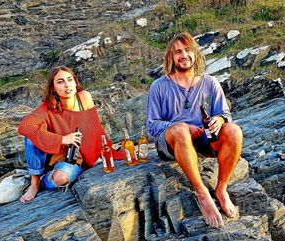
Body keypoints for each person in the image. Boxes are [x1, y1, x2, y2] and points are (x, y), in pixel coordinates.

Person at [146, 32, 243, 228]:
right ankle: (202, 192)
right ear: (171, 57)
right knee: (181, 130)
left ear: (195, 53)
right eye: (178, 52)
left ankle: (221, 189)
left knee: (234, 131)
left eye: (188, 50)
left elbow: (225, 114)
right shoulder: (159, 86)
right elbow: (152, 126)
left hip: (204, 141)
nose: (184, 55)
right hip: (172, 144)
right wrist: (181, 128)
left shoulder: (210, 82)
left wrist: (218, 119)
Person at [18, 66, 122, 203]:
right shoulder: (47, 107)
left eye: (70, 80)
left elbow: (96, 128)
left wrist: (107, 151)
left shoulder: (84, 98)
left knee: (61, 178)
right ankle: (35, 182)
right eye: (60, 82)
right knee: (30, 137)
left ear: (75, 82)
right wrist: (62, 139)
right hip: (57, 156)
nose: (67, 85)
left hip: (75, 159)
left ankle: (46, 178)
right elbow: (25, 126)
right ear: (53, 87)